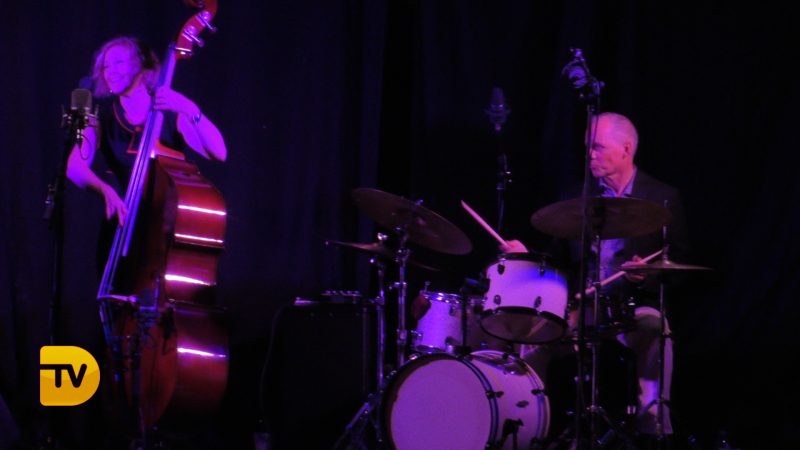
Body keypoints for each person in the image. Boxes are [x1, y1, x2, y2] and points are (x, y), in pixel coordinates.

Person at [502, 112, 688, 440]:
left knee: (657, 331)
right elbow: (557, 258)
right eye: (587, 147)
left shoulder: (661, 197)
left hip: (634, 306)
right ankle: (527, 425)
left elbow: (680, 263)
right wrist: (526, 255)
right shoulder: (576, 198)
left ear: (626, 149)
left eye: (598, 147)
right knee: (532, 334)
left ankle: (654, 427)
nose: (589, 155)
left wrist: (645, 275)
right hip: (582, 306)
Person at [67, 36, 226, 228]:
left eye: (119, 63)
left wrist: (190, 108)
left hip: (163, 228)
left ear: (140, 65)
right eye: (106, 66)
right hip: (119, 227)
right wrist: (104, 189)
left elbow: (219, 152)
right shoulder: (101, 119)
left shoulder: (169, 113)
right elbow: (74, 167)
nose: (110, 72)